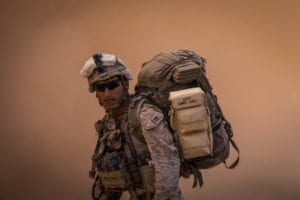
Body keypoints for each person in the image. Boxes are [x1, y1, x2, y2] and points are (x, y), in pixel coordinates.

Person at [80, 53, 183, 200]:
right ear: (95, 93)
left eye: (113, 85)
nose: (107, 93)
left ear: (126, 83)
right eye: (100, 88)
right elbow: (107, 178)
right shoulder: (108, 123)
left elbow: (167, 163)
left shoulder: (144, 114)